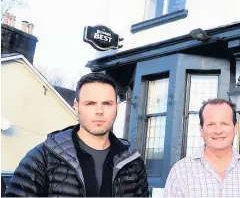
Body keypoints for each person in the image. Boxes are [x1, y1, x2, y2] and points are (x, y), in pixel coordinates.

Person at [5, 72, 149, 197]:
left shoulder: (133, 163)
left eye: (107, 103)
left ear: (116, 107)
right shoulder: (41, 159)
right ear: (76, 105)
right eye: (90, 103)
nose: (99, 111)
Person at [163, 98, 240, 197]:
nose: (218, 131)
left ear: (235, 128)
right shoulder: (181, 172)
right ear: (201, 129)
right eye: (211, 124)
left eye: (224, 123)